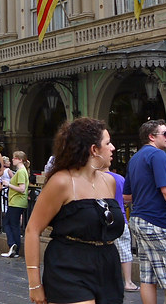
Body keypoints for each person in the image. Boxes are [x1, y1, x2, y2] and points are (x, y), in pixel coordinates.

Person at [26, 117, 124, 304]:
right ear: (94, 150)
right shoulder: (61, 182)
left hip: (108, 266)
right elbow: (32, 229)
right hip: (69, 265)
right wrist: (35, 284)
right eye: (108, 143)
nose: (113, 148)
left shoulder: (109, 181)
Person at [123, 120, 166, 304]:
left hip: (138, 220)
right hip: (157, 221)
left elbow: (127, 196)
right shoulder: (158, 156)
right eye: (165, 134)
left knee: (148, 274)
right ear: (152, 137)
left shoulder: (135, 159)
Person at [108, 170, 139, 291]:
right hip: (120, 217)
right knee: (125, 251)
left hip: (103, 220)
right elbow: (127, 197)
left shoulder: (95, 179)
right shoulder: (119, 178)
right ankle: (128, 282)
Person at [1, 150, 29, 258]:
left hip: (17, 201)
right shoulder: (22, 171)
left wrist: (8, 184)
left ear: (20, 160)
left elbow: (22, 188)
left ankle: (12, 244)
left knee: (8, 223)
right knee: (14, 224)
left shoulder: (21, 171)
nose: (12, 160)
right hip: (17, 202)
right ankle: (15, 248)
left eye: (14, 158)